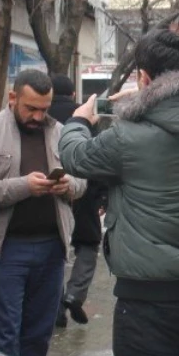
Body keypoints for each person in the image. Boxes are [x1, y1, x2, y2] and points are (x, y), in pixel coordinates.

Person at [58, 28, 179, 356]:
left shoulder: (127, 137)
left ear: (144, 77)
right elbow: (172, 128)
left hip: (147, 300)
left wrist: (79, 120)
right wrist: (141, 104)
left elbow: (75, 157)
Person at [0, 69, 84, 356]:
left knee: (39, 335)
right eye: (31, 108)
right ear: (13, 98)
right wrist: (24, 186)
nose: (39, 116)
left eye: (44, 108)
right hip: (7, 250)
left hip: (52, 249)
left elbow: (83, 184)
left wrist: (68, 186)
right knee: (4, 336)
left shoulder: (61, 132)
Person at [47, 75, 108, 328]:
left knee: (56, 249)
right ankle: (74, 294)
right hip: (84, 193)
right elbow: (99, 155)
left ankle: (56, 304)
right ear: (73, 95)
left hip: (49, 188)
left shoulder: (42, 113)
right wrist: (102, 194)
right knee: (88, 245)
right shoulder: (82, 117)